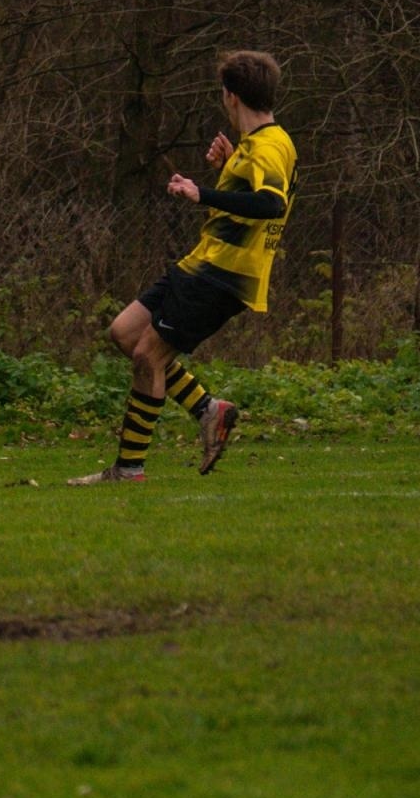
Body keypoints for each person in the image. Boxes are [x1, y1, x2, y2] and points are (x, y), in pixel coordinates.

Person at [70, 50, 297, 485]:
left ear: (230, 96)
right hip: (202, 262)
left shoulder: (270, 144)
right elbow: (248, 203)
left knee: (146, 355)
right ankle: (210, 410)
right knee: (124, 333)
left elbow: (271, 204)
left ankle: (129, 469)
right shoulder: (256, 146)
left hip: (223, 276)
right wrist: (229, 167)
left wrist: (201, 193)